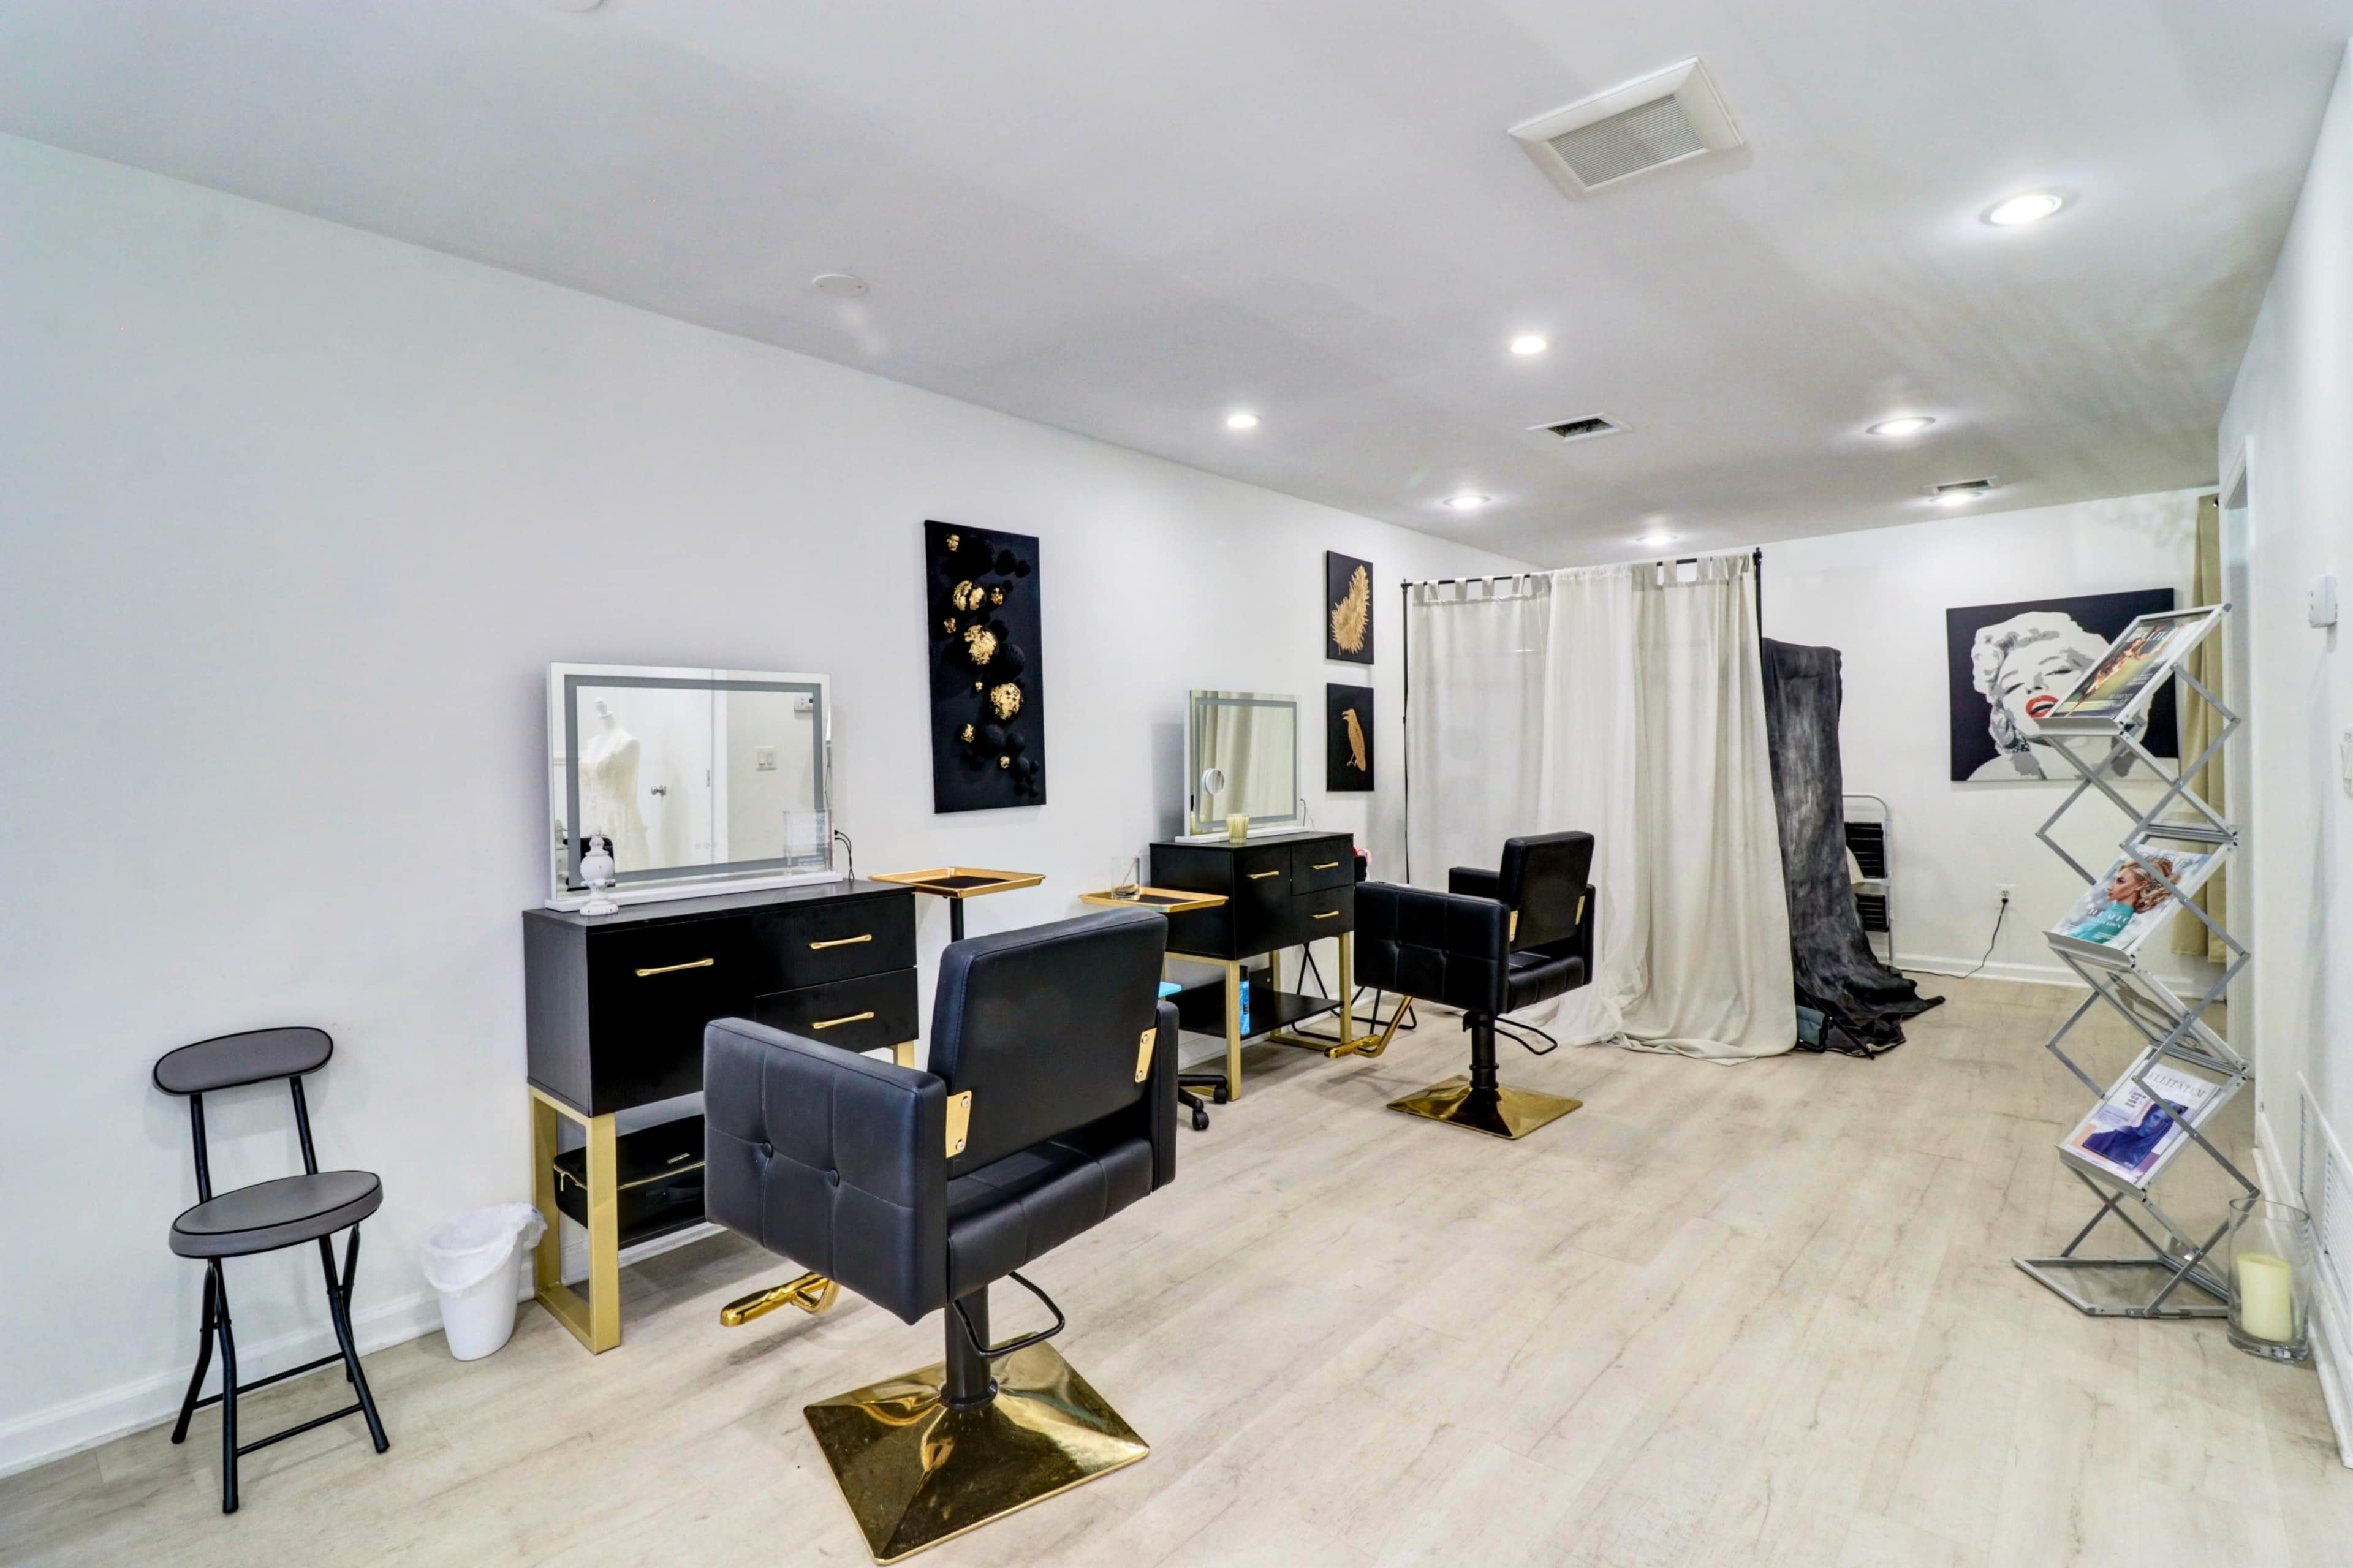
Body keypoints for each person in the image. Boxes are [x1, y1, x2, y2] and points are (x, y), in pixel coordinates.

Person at [1967, 611, 2123, 780]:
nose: (2033, 687)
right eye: (2013, 686)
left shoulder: (2149, 771)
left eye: (2057, 671)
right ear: (2003, 712)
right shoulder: (1989, 777)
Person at [2063, 855, 2178, 945]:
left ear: (2140, 886)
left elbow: (2078, 941)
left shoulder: (2119, 916)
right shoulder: (2116, 912)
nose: (2110, 887)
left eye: (2120, 881)